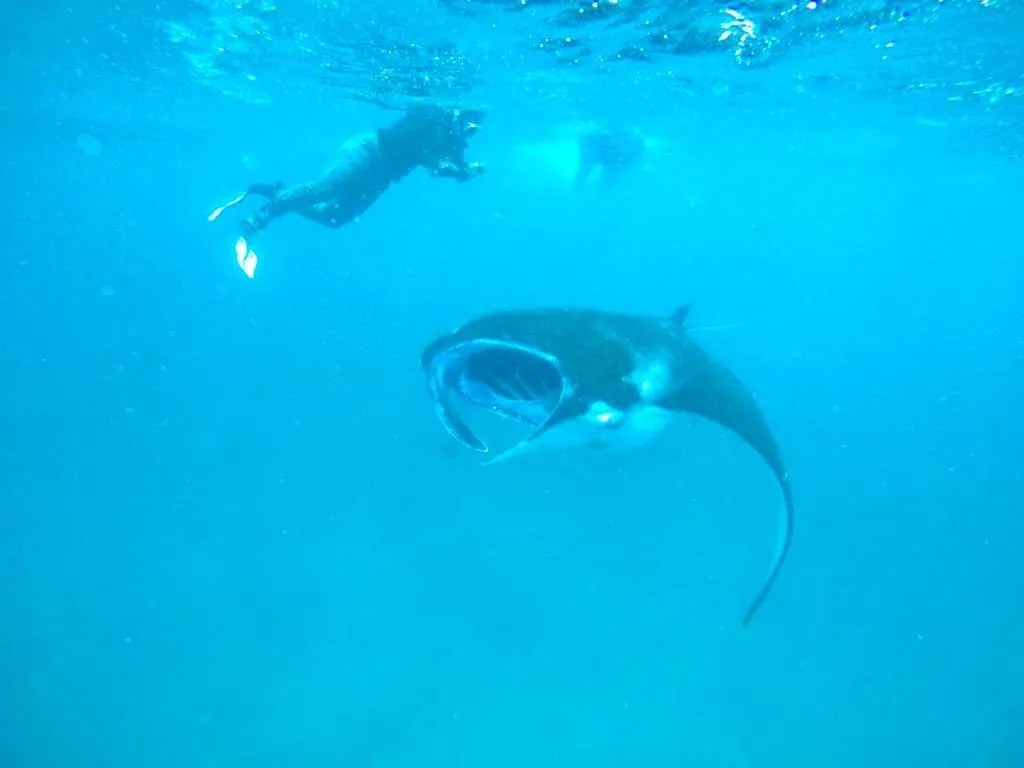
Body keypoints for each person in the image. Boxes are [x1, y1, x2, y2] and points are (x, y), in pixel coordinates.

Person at [208, 104, 485, 278]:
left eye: (472, 131)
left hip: (382, 176)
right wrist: (438, 162)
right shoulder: (431, 116)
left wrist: (463, 172)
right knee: (328, 188)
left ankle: (276, 192)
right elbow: (410, 142)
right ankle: (260, 218)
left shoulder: (453, 141)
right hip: (369, 152)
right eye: (466, 125)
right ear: (455, 114)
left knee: (333, 218)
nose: (467, 133)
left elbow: (452, 168)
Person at [574, 126, 646, 188]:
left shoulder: (635, 141)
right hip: (600, 145)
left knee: (586, 171)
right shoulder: (632, 139)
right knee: (586, 171)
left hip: (604, 147)